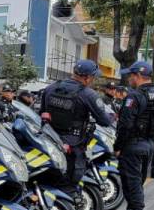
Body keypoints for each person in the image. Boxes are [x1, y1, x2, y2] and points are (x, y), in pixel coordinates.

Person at [109, 60, 154, 210]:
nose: (129, 79)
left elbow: (125, 125)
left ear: (137, 76)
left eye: (131, 75)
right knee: (138, 183)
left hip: (133, 146)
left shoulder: (133, 96)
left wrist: (118, 146)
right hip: (149, 145)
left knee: (132, 185)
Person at [38, 58, 112, 195]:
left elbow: (42, 113)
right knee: (69, 183)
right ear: (87, 77)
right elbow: (105, 121)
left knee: (52, 179)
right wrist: (112, 117)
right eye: (94, 77)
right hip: (73, 144)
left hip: (50, 141)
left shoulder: (51, 88)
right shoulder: (88, 94)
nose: (94, 80)